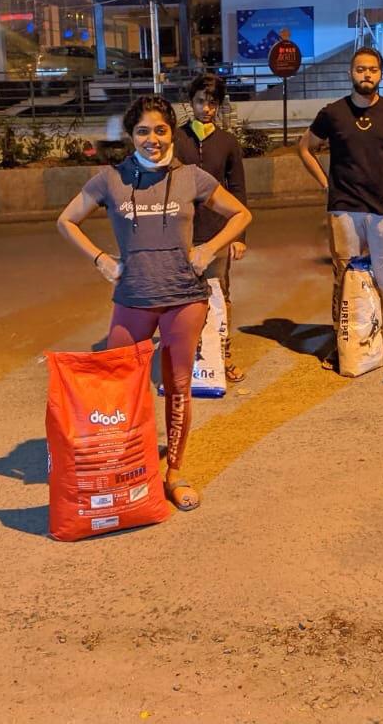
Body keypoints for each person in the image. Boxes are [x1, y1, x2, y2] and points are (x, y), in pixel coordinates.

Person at [57, 95, 252, 511]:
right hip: (133, 298)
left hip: (184, 298)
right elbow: (66, 220)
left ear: (171, 133)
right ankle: (132, 465)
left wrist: (209, 249)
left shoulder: (191, 177)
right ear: (131, 136)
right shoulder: (111, 179)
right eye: (143, 131)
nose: (152, 139)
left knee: (178, 388)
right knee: (120, 387)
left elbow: (241, 215)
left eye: (160, 130)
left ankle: (174, 474)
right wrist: (102, 261)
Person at [298, 46, 383, 371]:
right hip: (344, 208)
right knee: (343, 279)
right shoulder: (332, 113)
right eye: (360, 69)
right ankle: (343, 343)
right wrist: (325, 183)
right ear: (351, 73)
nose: (366, 75)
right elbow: (305, 148)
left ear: (380, 74)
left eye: (372, 69)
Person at [173, 72, 249, 383]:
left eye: (212, 103)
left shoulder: (227, 142)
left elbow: (238, 188)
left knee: (220, 296)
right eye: (201, 101)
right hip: (182, 234)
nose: (206, 108)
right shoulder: (176, 139)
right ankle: (183, 360)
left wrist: (239, 236)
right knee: (180, 298)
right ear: (191, 103)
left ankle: (224, 355)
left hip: (218, 234)